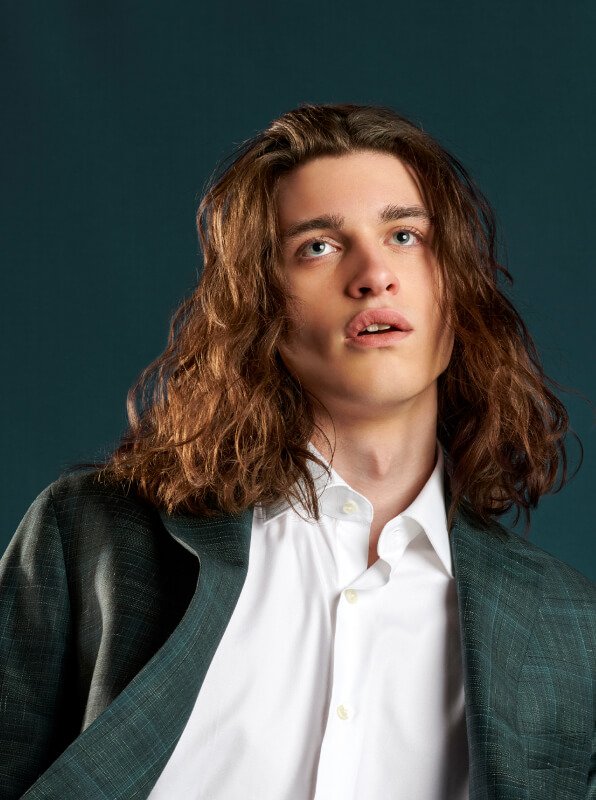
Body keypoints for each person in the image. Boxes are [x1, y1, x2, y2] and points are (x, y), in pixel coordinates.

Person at [0, 103, 594, 800]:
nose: (374, 274)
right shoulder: (95, 537)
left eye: (405, 235)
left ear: (456, 289)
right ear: (261, 307)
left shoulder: (568, 631)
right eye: (318, 246)